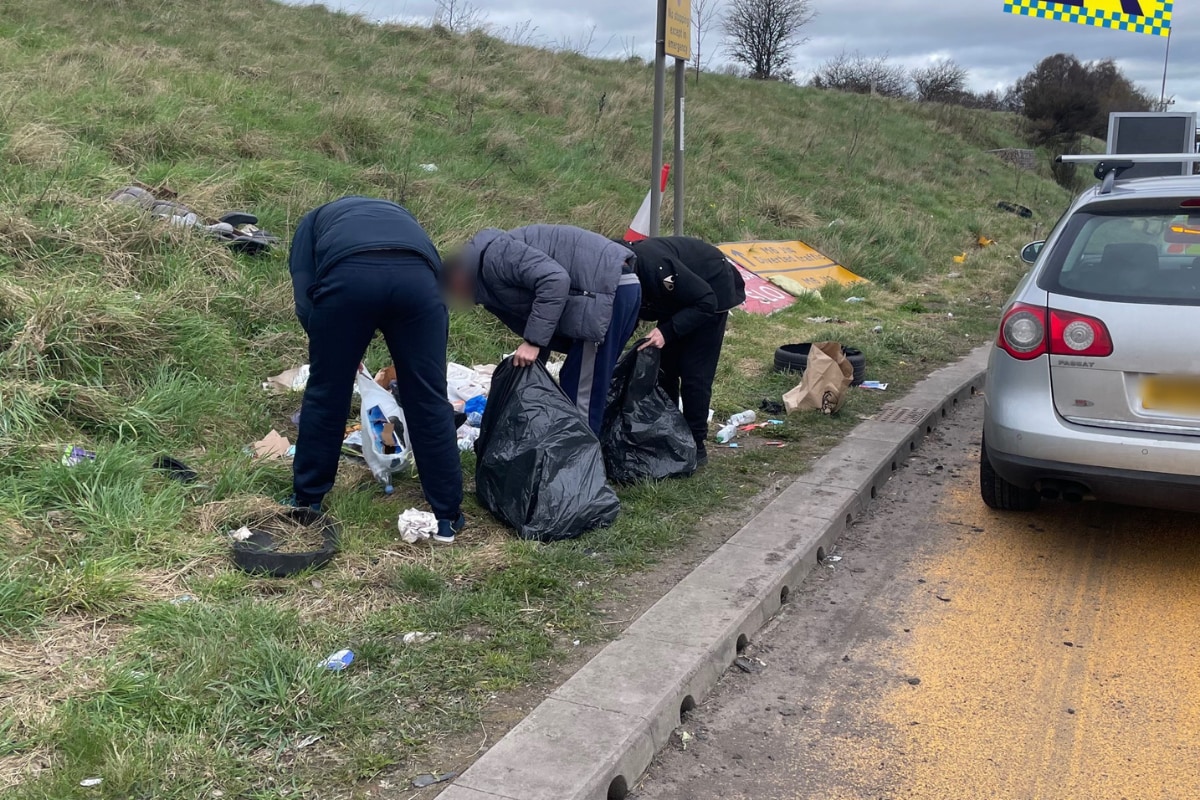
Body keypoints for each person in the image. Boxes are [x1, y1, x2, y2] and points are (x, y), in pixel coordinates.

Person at [288, 196, 465, 544]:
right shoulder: (404, 216)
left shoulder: (311, 223)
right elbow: (438, 277)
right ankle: (447, 517)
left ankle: (307, 502)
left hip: (349, 279)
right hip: (419, 286)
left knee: (328, 393)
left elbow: (305, 295)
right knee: (428, 398)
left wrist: (334, 347)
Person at [445, 225, 641, 436]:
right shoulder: (488, 275)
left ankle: (578, 463)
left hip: (605, 292)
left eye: (455, 294)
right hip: (610, 291)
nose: (461, 301)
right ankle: (575, 455)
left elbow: (555, 281)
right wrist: (534, 362)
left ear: (458, 277)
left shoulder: (496, 256)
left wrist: (534, 342)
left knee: (581, 393)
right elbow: (540, 311)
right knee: (578, 380)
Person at [624, 236, 747, 466]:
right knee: (665, 368)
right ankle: (670, 432)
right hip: (677, 296)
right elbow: (630, 312)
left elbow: (705, 301)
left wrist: (666, 331)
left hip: (711, 291)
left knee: (695, 373)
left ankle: (695, 444)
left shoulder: (655, 268)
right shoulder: (624, 270)